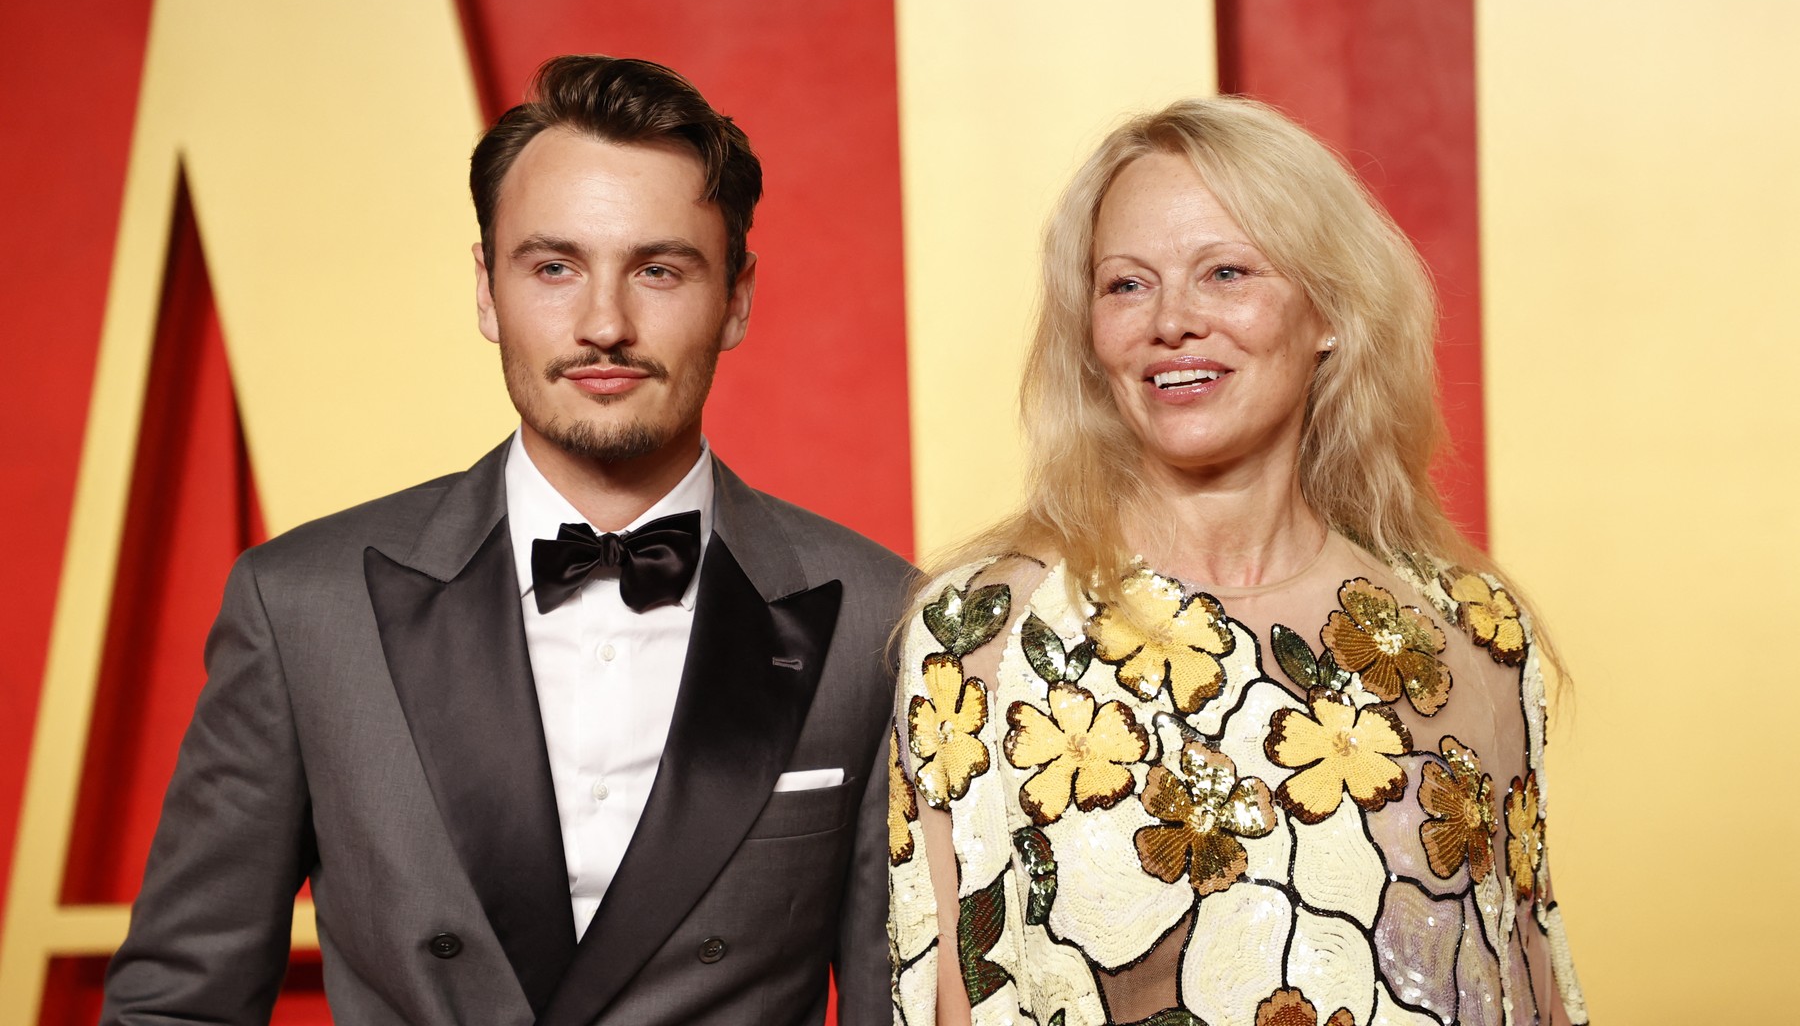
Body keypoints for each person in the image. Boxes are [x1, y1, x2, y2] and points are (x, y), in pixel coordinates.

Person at [103, 55, 910, 1026]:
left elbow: (899, 1008)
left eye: (658, 270)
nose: (604, 324)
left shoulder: (880, 618)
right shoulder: (304, 609)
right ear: (487, 288)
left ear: (735, 295)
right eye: (554, 267)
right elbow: (177, 1006)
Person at [887, 98, 1588, 1026]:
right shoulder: (981, 635)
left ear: (1329, 311)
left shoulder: (1471, 632)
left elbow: (1529, 980)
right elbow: (951, 1000)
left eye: (1225, 272)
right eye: (1126, 285)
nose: (1172, 321)